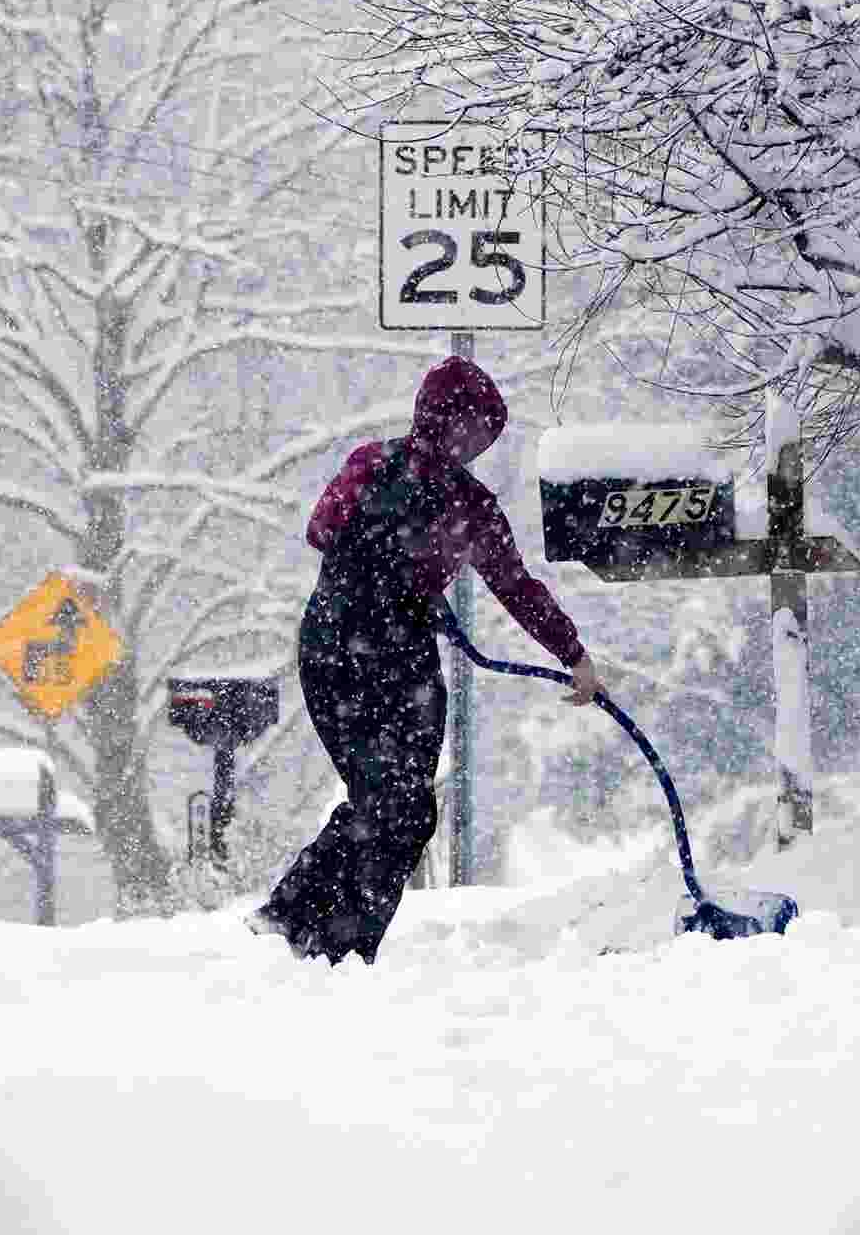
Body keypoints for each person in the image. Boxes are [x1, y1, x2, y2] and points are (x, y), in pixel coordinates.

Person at [255, 354, 601, 962]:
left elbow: (516, 586)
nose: (473, 446)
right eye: (474, 429)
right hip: (359, 651)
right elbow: (328, 533)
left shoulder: (393, 473)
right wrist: (402, 576)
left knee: (398, 806)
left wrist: (571, 651)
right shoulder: (435, 492)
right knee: (396, 804)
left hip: (350, 650)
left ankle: (307, 932)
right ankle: (317, 937)